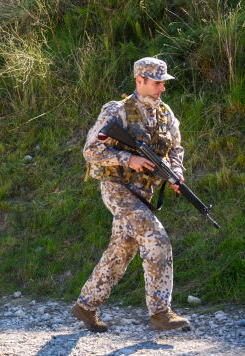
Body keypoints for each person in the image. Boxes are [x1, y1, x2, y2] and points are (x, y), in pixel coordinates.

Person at [72, 58, 191, 332]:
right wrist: (127, 159)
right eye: (157, 82)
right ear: (140, 81)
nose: (162, 88)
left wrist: (175, 172)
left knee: (121, 250)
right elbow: (90, 151)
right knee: (156, 237)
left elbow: (176, 149)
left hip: (143, 193)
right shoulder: (118, 112)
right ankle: (161, 314)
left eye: (163, 82)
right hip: (118, 189)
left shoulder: (165, 114)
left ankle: (86, 305)